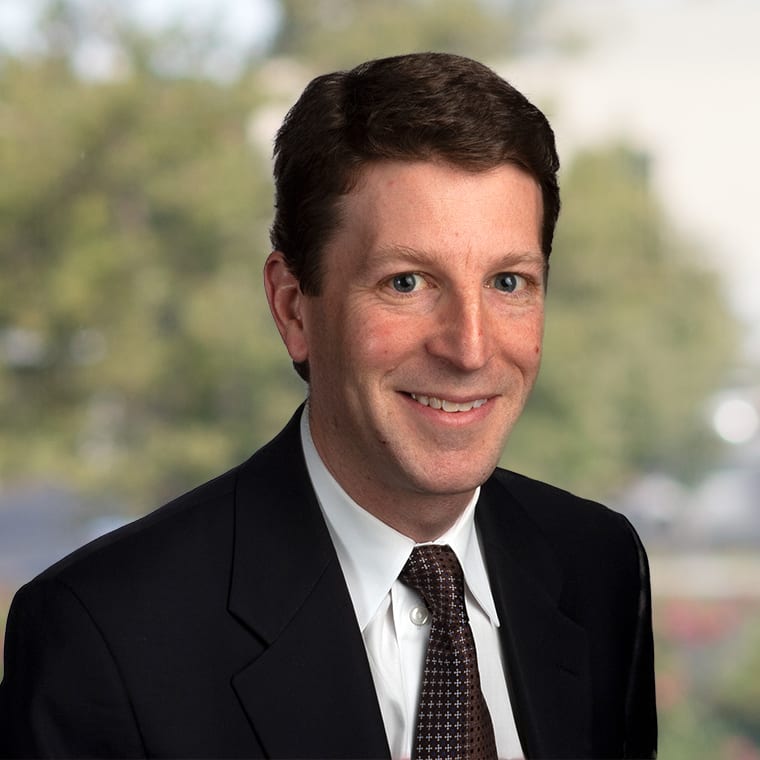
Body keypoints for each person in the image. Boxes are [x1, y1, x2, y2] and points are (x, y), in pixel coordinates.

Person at [0, 52, 656, 759]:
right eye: (407, 282)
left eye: (507, 282)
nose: (470, 349)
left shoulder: (600, 569)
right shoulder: (102, 637)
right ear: (293, 307)